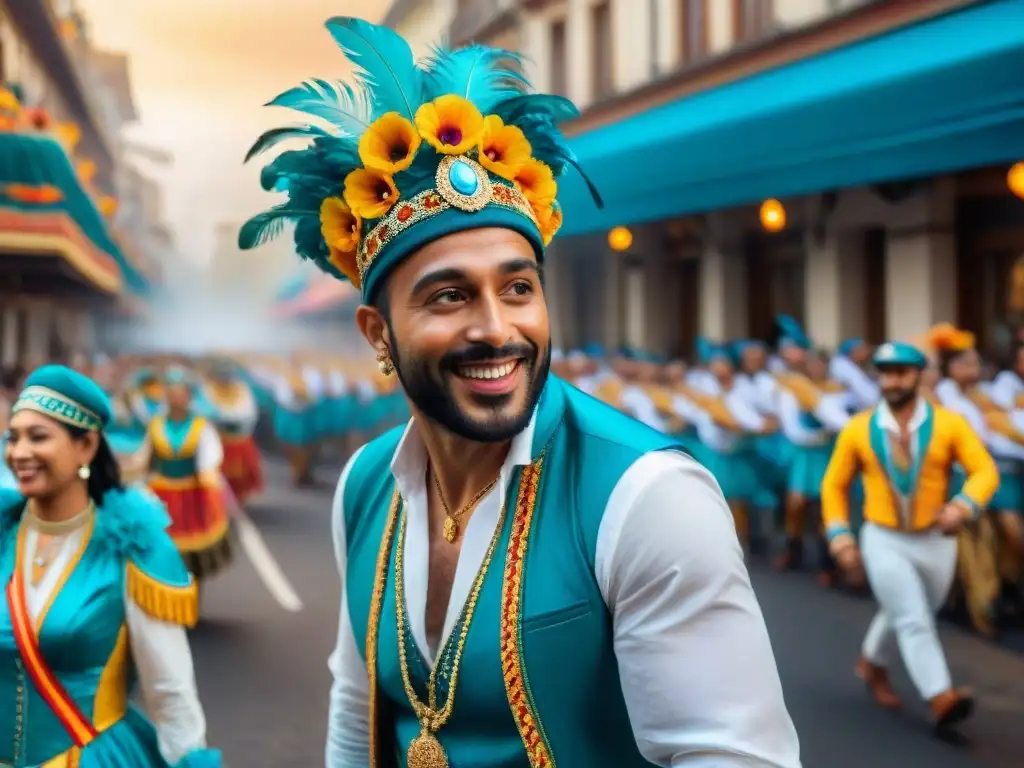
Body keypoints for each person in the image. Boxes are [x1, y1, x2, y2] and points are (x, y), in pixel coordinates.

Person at [241, 17, 800, 767]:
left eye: (518, 286)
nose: (497, 329)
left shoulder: (647, 499)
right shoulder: (364, 485)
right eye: (448, 296)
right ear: (378, 333)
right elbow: (355, 710)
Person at [1, 364, 220, 766]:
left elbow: (170, 691)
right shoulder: (3, 532)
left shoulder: (131, 548)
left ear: (85, 446)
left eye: (38, 437)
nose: (19, 453)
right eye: (12, 438)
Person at [820, 341, 999, 733]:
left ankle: (871, 663)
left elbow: (984, 471)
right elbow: (834, 485)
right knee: (914, 617)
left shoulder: (950, 424)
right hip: (883, 537)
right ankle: (941, 697)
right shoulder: (858, 428)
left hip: (937, 538)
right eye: (886, 372)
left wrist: (961, 506)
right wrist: (840, 537)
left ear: (918, 376)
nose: (893, 380)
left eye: (902, 372)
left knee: (908, 609)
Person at [134, 369, 232, 582]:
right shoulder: (156, 425)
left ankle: (191, 597)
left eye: (180, 393)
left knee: (192, 556)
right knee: (160, 552)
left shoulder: (201, 427)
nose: (175, 397)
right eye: (171, 392)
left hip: (192, 495)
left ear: (189, 396)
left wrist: (208, 474)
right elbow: (143, 459)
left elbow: (210, 456)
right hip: (161, 496)